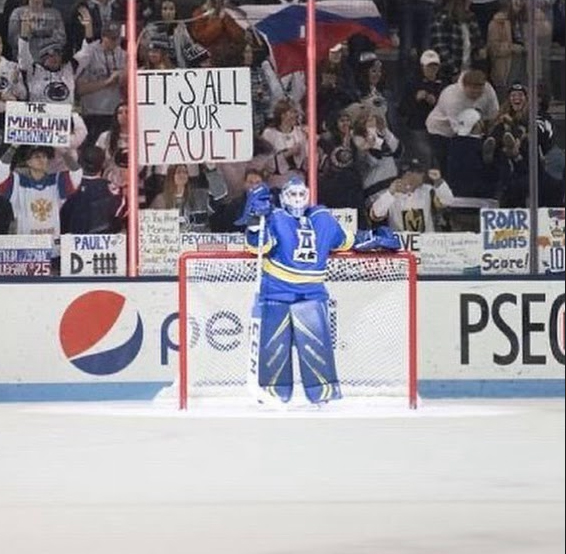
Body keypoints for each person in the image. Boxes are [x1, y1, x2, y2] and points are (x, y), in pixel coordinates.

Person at [234, 175, 398, 406]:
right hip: (276, 293)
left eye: (302, 194)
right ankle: (272, 392)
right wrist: (254, 218)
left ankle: (322, 392)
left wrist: (374, 238)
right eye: (293, 194)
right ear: (282, 198)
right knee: (273, 347)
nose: (298, 199)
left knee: (317, 345)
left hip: (312, 293)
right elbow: (258, 246)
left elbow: (347, 240)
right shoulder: (275, 217)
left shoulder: (322, 219)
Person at [0, 144, 83, 236]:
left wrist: (63, 151)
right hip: (26, 243)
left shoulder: (57, 180)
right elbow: (1, 172)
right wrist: (13, 148)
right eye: (37, 157)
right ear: (28, 162)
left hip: (51, 244)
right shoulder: (17, 182)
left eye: (44, 156)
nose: (42, 160)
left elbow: (77, 172)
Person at [369, 158, 455, 233]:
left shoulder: (428, 190)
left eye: (420, 172)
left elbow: (448, 201)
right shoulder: (390, 193)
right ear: (406, 174)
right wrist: (390, 193)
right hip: (401, 245)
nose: (421, 175)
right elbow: (376, 214)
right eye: (416, 172)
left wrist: (438, 181)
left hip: (427, 244)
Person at [60, 145, 124, 234]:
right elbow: (119, 220)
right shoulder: (115, 190)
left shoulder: (67, 185)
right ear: (103, 164)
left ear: (80, 162)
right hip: (104, 245)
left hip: (72, 243)